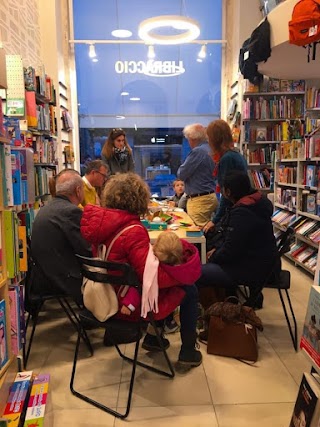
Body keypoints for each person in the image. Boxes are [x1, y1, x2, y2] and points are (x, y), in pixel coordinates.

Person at [81, 172, 202, 368]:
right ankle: (188, 350)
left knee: (168, 276)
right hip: (128, 305)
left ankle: (154, 338)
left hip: (109, 294)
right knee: (188, 287)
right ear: (138, 199)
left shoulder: (104, 225)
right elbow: (154, 279)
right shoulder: (132, 230)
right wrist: (182, 267)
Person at [196, 171, 280, 307]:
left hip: (251, 268)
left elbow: (231, 250)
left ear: (228, 192)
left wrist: (214, 255)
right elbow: (237, 241)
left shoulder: (242, 213)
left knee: (197, 272)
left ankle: (212, 313)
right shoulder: (256, 204)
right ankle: (228, 300)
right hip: (264, 264)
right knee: (209, 262)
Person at [30, 169, 92, 303]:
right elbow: (85, 249)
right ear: (78, 190)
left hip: (43, 277)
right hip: (63, 279)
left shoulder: (46, 208)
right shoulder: (71, 211)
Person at [203, 119, 247, 234]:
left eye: (209, 138)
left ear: (215, 139)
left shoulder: (227, 159)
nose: (208, 141)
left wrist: (215, 220)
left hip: (235, 214)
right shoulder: (236, 155)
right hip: (242, 210)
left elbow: (227, 194)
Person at [177, 123, 218, 227]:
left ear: (193, 139)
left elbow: (181, 174)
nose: (189, 142)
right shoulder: (210, 149)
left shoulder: (198, 152)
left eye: (188, 139)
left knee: (197, 236)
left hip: (199, 200)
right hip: (210, 195)